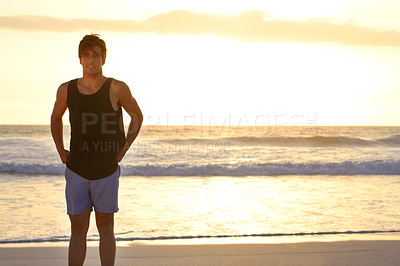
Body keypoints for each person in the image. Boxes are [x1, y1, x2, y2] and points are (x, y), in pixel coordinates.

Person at [50, 34, 143, 266]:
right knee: (78, 228)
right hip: (77, 169)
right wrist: (60, 150)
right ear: (80, 59)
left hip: (106, 170)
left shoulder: (117, 88)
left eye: (96, 56)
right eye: (87, 55)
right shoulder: (66, 90)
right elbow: (55, 117)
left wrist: (124, 149)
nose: (91, 60)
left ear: (104, 59)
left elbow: (137, 116)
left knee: (105, 227)